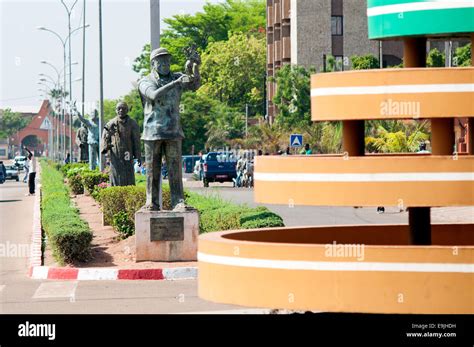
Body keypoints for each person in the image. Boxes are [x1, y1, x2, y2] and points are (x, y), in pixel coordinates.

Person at [138, 46, 200, 210]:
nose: (165, 63)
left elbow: (194, 84)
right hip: (152, 132)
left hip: (173, 131)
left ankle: (178, 201)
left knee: (175, 169)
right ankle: (151, 202)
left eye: (167, 60)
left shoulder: (177, 77)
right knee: (152, 170)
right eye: (161, 60)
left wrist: (194, 66)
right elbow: (153, 95)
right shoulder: (146, 81)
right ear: (153, 63)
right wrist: (175, 83)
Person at [101, 102, 141, 186]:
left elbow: (136, 140)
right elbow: (104, 137)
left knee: (128, 175)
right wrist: (106, 146)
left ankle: (129, 191)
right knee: (115, 175)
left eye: (123, 108)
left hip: (127, 153)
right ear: (116, 110)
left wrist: (138, 155)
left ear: (127, 110)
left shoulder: (133, 123)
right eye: (119, 108)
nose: (121, 110)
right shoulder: (110, 124)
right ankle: (116, 191)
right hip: (115, 154)